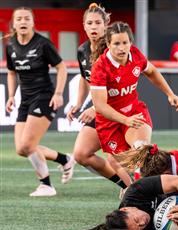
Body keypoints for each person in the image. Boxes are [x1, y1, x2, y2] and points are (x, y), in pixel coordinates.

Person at [89, 21, 178, 159]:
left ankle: (166, 171)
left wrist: (170, 93)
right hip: (110, 121)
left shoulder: (135, 54)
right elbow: (100, 106)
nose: (122, 48)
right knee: (114, 161)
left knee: (141, 150)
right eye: (116, 44)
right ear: (108, 44)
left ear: (130, 42)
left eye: (125, 43)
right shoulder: (100, 67)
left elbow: (151, 71)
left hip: (134, 112)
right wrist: (125, 120)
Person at [6, 7, 74, 197]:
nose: (23, 22)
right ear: (14, 23)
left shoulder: (43, 44)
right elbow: (12, 72)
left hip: (44, 96)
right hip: (25, 98)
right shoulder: (10, 45)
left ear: (33, 22)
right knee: (22, 149)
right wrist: (11, 96)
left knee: (28, 145)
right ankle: (65, 159)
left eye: (27, 18)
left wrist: (59, 93)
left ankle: (46, 185)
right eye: (19, 19)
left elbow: (62, 68)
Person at [66, 3, 131, 191]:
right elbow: (86, 78)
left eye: (97, 23)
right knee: (81, 154)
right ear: (84, 26)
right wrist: (78, 103)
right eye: (89, 23)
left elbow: (120, 85)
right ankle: (126, 187)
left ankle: (145, 193)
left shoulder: (113, 49)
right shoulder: (82, 50)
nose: (93, 27)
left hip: (121, 110)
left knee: (126, 160)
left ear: (106, 25)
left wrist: (95, 108)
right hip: (102, 111)